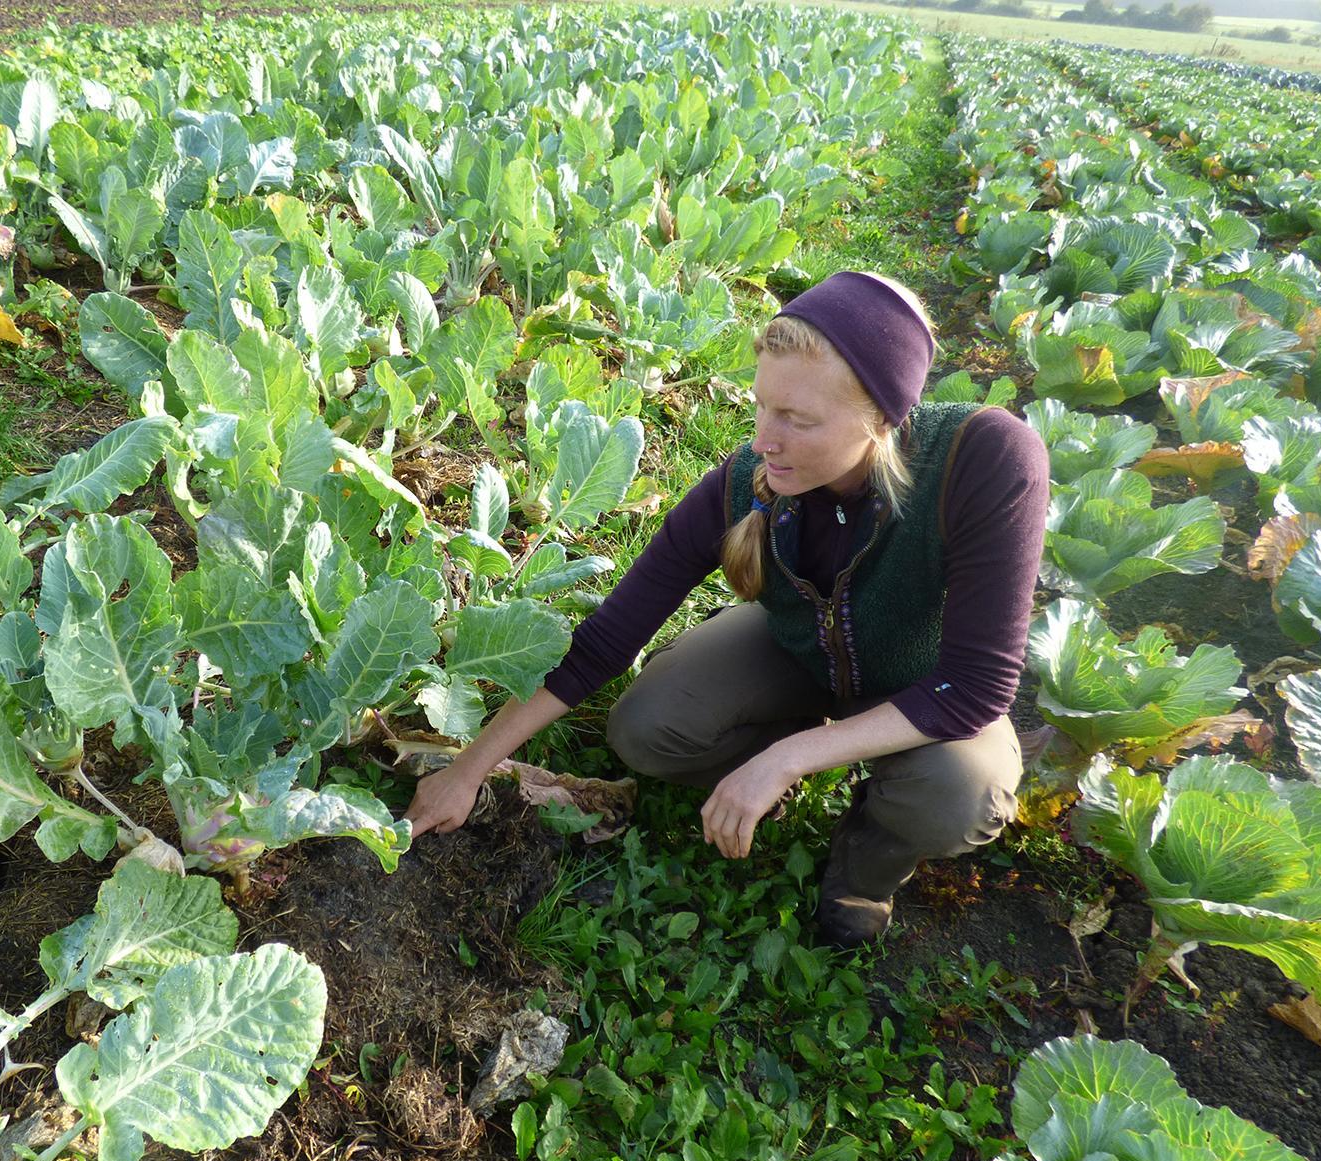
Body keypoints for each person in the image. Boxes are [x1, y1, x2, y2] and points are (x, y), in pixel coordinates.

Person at [403, 270, 1051, 948]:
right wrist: (467, 771)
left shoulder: (982, 458)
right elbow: (604, 641)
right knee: (646, 730)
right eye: (762, 406)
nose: (764, 440)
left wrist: (789, 758)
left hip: (929, 687)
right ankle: (775, 760)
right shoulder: (743, 485)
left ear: (882, 419)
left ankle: (866, 860)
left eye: (798, 420)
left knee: (958, 796)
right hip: (800, 650)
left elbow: (975, 688)